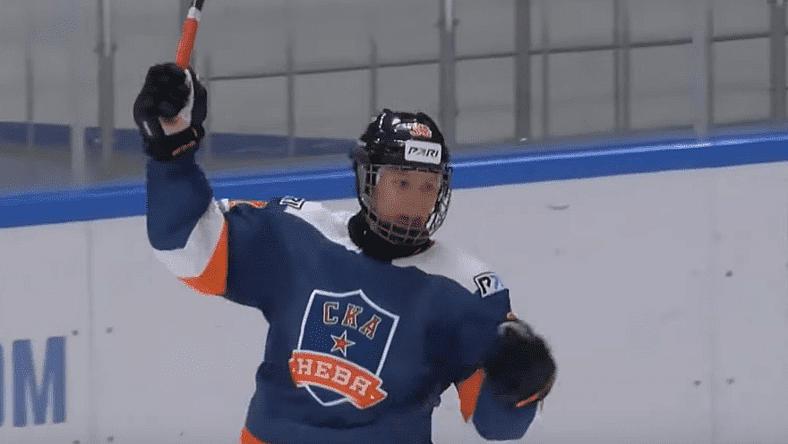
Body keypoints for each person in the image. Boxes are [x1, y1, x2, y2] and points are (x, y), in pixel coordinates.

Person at [134, 62, 556, 444]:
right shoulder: (298, 234)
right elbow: (185, 245)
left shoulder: (465, 290)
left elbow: (497, 427)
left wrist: (521, 383)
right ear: (368, 178)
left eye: (428, 186)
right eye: (402, 183)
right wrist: (172, 153)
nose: (415, 203)